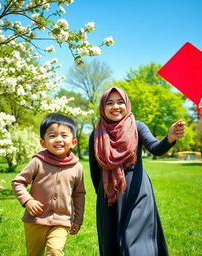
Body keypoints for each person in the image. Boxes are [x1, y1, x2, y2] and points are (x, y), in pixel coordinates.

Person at [89, 87, 185, 256]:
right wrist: (104, 196)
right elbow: (94, 171)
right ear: (103, 107)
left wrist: (169, 138)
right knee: (111, 245)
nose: (115, 107)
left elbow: (156, 148)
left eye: (120, 102)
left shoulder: (137, 126)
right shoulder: (95, 134)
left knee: (134, 245)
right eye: (109, 103)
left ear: (127, 104)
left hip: (137, 193)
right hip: (109, 198)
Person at [11, 113, 85, 256]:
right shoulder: (37, 162)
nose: (58, 140)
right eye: (52, 136)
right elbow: (18, 182)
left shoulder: (77, 167)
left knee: (55, 251)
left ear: (73, 142)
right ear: (43, 142)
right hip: (35, 220)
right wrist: (28, 201)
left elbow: (79, 194)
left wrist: (78, 218)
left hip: (61, 221)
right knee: (34, 253)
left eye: (64, 135)